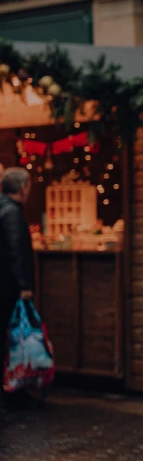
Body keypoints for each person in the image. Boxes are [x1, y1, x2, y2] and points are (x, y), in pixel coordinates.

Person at [0, 168, 35, 411]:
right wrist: (24, 285)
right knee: (12, 339)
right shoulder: (11, 213)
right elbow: (15, 250)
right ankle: (12, 392)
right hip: (7, 287)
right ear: (22, 188)